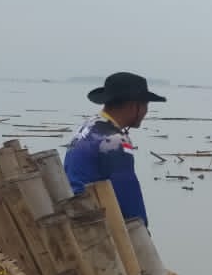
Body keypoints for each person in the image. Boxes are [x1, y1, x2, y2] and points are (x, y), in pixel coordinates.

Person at [64, 72, 165, 227]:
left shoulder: (88, 126)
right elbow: (128, 197)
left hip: (74, 211)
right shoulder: (116, 141)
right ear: (133, 106)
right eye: (145, 105)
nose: (146, 112)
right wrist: (142, 229)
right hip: (95, 223)